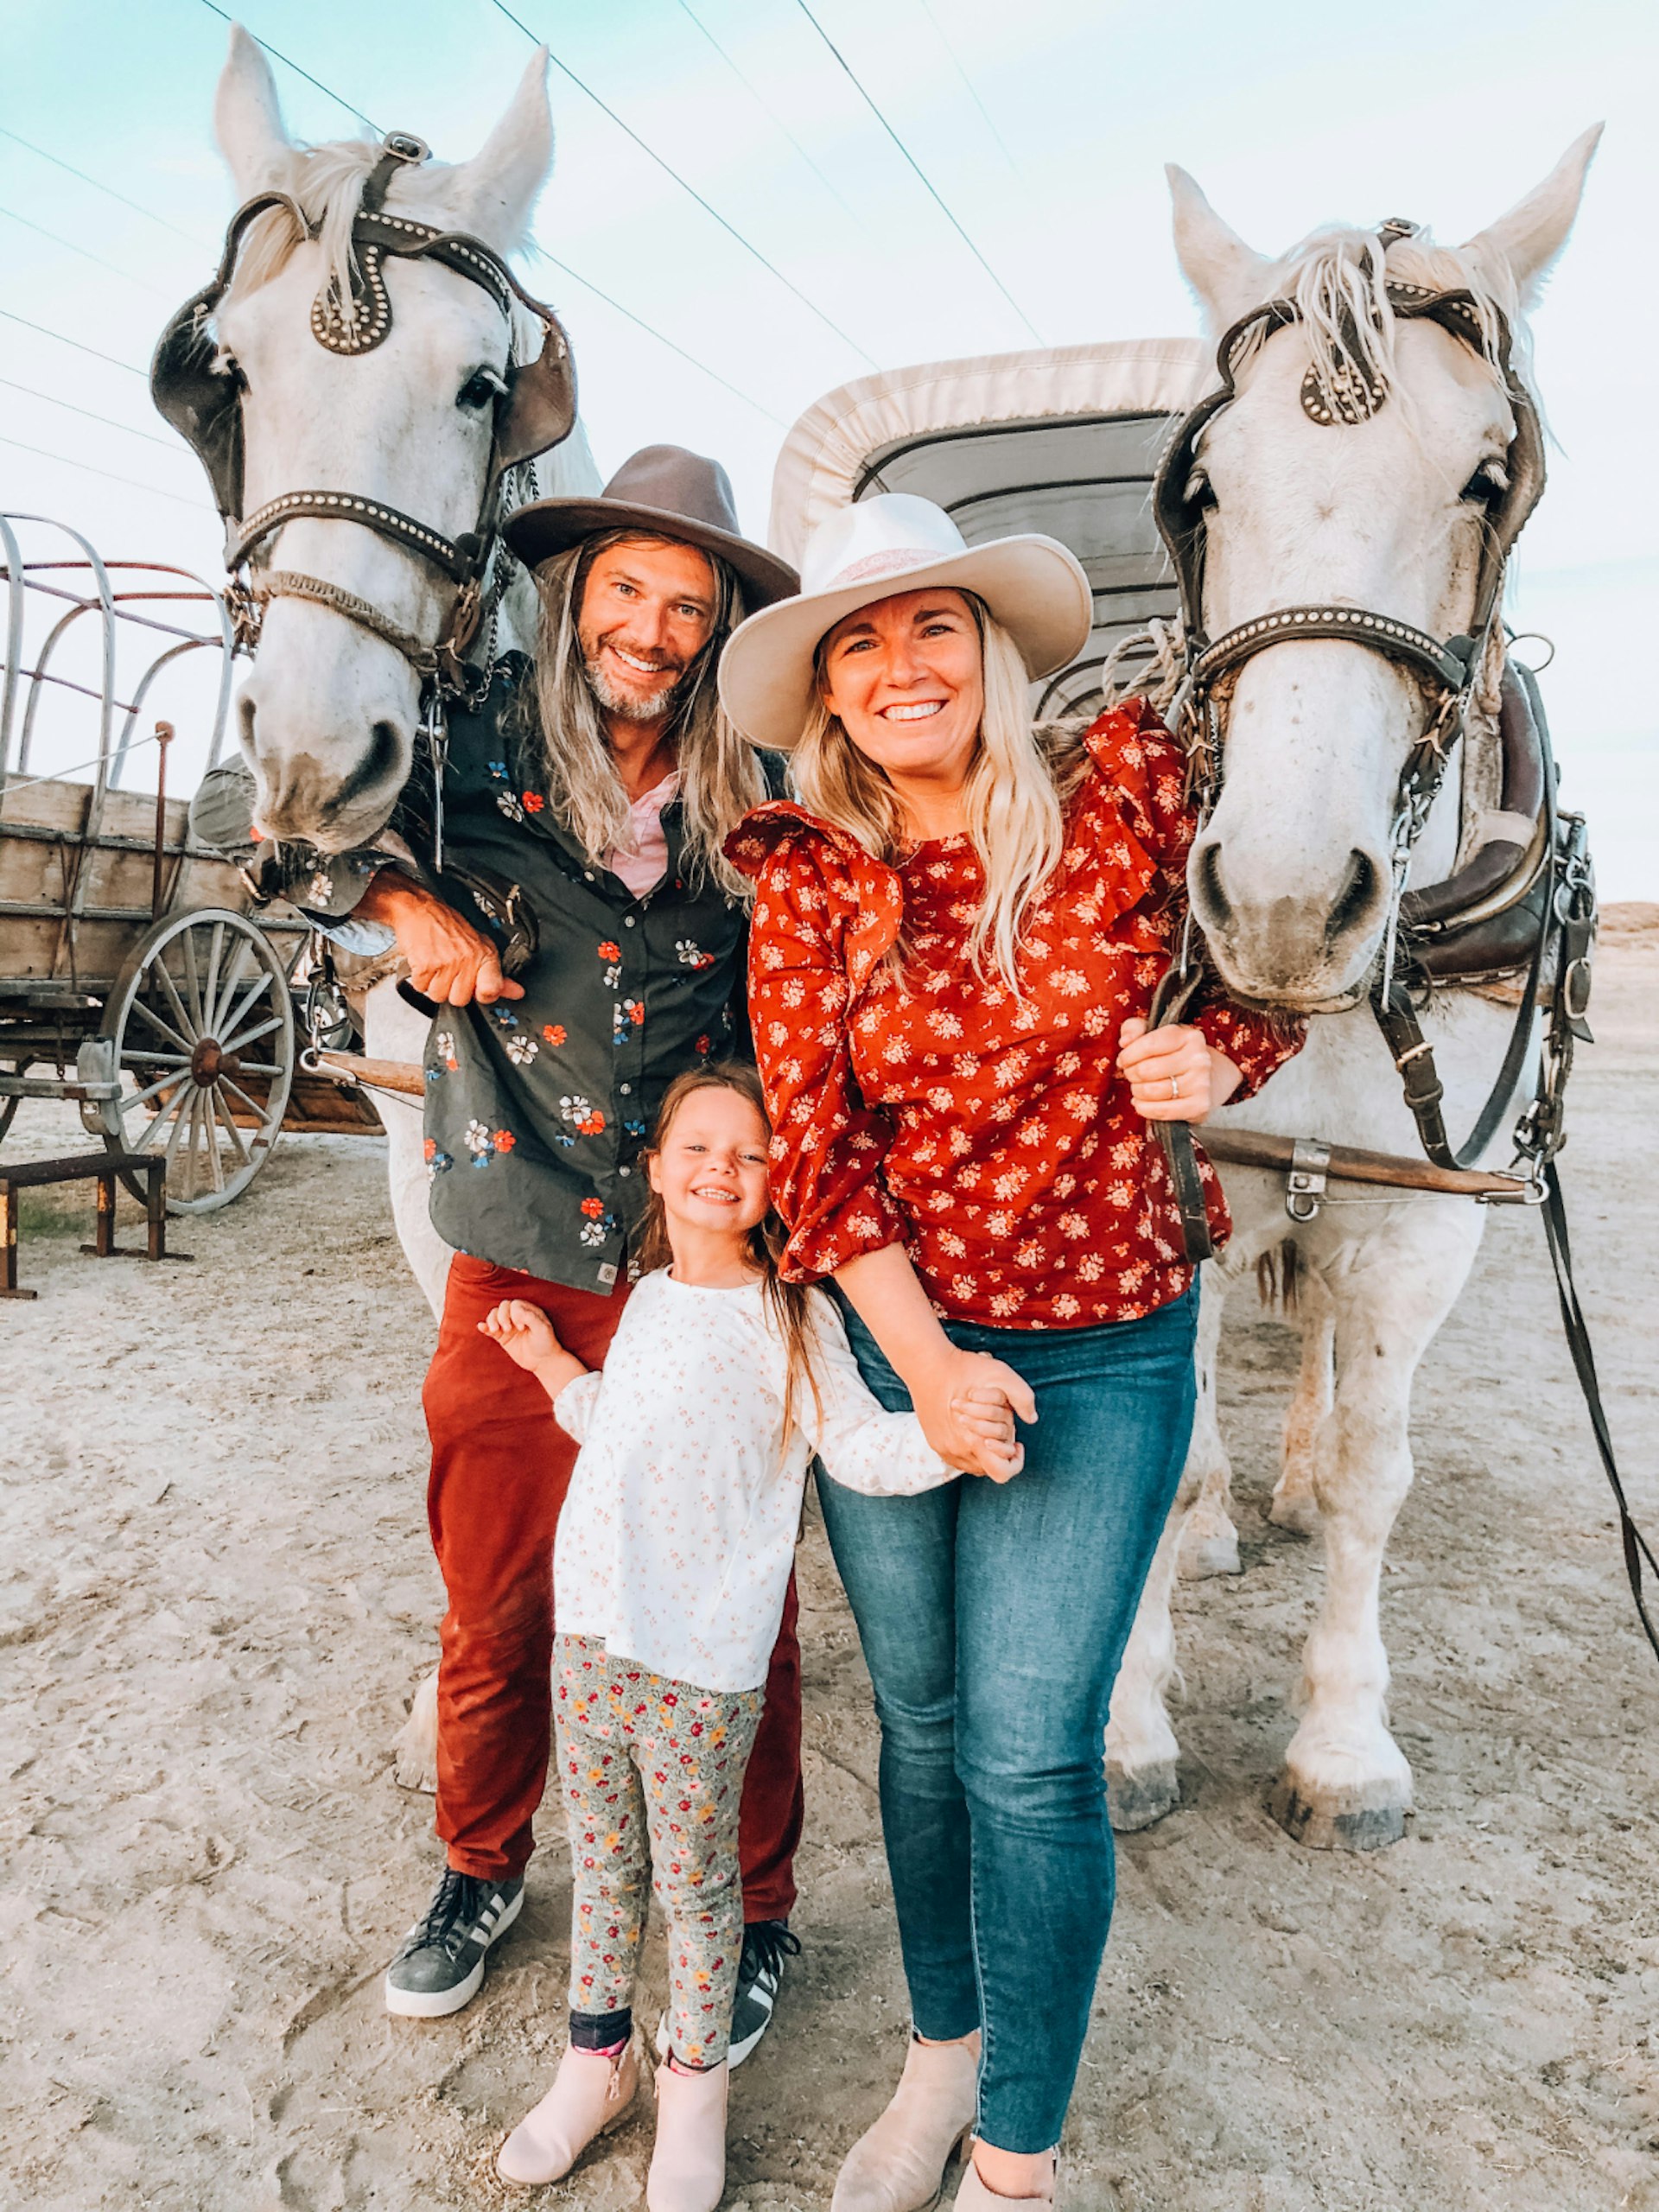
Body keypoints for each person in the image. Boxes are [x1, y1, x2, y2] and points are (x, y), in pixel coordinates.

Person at [718, 494, 1306, 2208]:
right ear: (828, 686)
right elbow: (815, 1171)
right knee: (918, 1721)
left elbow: (1277, 946)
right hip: (899, 1346)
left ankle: (1017, 2154)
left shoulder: (1126, 791)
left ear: (986, 646)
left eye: (932, 626)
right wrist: (929, 1366)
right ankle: (939, 2057)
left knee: (1031, 1751)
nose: (903, 665)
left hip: (1108, 1344)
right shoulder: (811, 870)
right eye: (862, 640)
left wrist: (1223, 1052)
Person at [210, 448, 812, 2040]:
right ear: (573, 595)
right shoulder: (466, 747)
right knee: (498, 1600)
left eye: (692, 604)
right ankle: (479, 1865)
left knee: (738, 1602)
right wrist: (404, 907)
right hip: (513, 1247)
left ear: (721, 626)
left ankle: (756, 1915)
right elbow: (257, 811)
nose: (655, 627)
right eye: (627, 588)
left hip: (710, 1270)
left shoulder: (766, 792)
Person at [481, 1064, 1011, 2211]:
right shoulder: (648, 1297)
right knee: (605, 1868)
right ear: (658, 1169)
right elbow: (617, 1429)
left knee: (696, 1886)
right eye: (699, 1146)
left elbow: (858, 1445)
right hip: (592, 1641)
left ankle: (693, 2091)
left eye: (752, 1153)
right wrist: (553, 1368)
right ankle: (594, 2062)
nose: (723, 1166)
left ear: (779, 1185)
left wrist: (949, 1444)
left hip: (700, 1663)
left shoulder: (793, 1314)